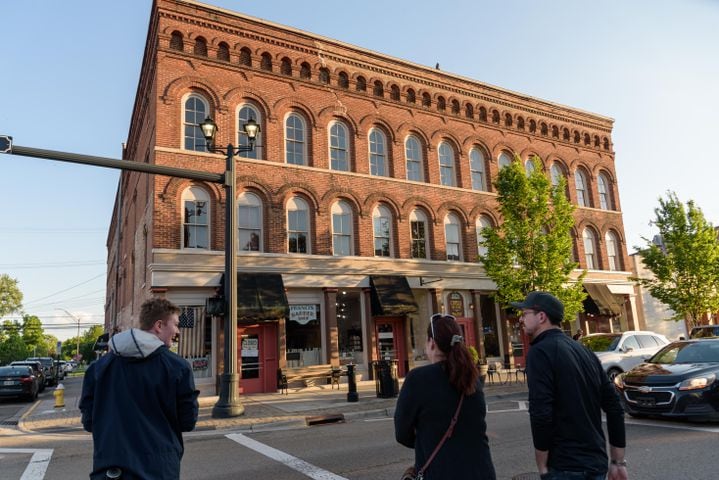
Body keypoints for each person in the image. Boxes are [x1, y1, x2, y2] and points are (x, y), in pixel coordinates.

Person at [511, 291, 627, 480]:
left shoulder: (540, 352)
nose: (521, 319)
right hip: (596, 463)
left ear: (541, 317)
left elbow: (541, 412)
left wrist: (542, 465)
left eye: (525, 314)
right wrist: (617, 462)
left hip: (565, 466)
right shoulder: (584, 351)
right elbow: (614, 406)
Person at [79, 298, 199, 480]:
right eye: (175, 324)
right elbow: (187, 421)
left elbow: (89, 421)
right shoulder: (177, 367)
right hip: (159, 468)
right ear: (159, 325)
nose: (177, 331)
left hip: (110, 469)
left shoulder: (98, 368)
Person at [394, 314, 496, 479]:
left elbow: (402, 433)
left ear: (432, 343)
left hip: (441, 470)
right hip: (481, 470)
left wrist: (428, 441)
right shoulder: (472, 377)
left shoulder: (418, 379)